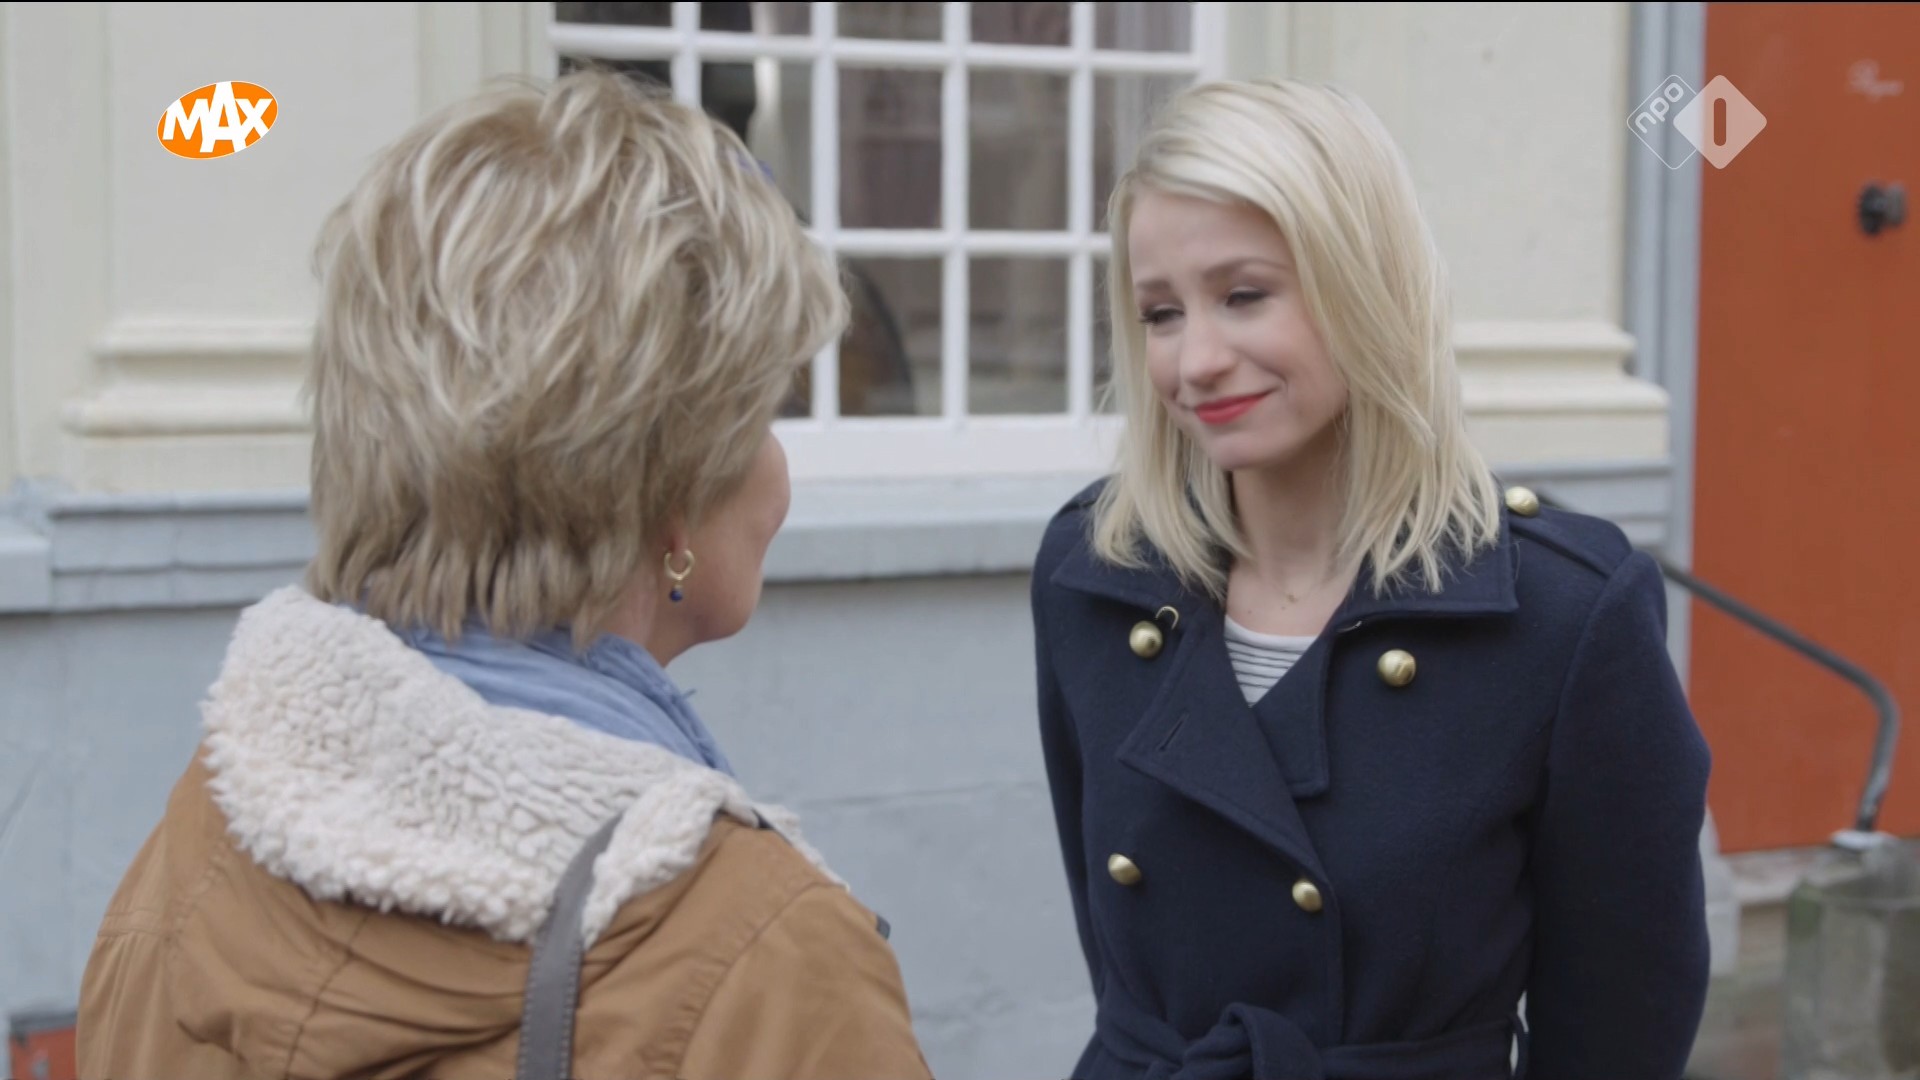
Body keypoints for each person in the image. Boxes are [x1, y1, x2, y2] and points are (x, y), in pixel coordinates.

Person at [76, 69, 934, 1080]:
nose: (778, 468)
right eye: (764, 415)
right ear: (670, 488)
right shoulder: (765, 964)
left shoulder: (194, 857)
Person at [1029, 77, 1713, 1079]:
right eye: (1161, 313)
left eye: (1244, 295)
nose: (1195, 359)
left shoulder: (1561, 613)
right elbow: (1124, 970)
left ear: (1365, 282)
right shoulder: (1095, 573)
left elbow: (1621, 1021)